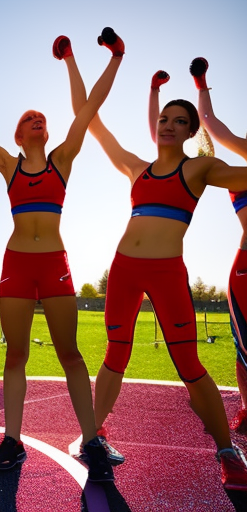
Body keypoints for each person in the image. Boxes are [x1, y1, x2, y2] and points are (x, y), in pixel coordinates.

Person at [0, 27, 124, 480]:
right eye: (30, 117)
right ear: (17, 132)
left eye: (42, 118)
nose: (38, 120)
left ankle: (92, 441)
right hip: (16, 266)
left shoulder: (62, 159)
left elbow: (87, 108)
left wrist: (100, 59)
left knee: (70, 353)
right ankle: (12, 440)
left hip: (54, 266)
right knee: (16, 356)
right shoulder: (7, 164)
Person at [68, 56, 247, 489]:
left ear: (190, 131)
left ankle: (227, 452)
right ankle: (95, 432)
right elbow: (89, 121)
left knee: (189, 364)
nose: (168, 125)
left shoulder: (199, 169)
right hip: (124, 269)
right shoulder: (136, 167)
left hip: (168, 273)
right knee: (115, 353)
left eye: (179, 120)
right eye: (164, 118)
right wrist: (73, 61)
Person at [189, 57, 247, 435]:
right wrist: (201, 83)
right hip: (245, 268)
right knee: (244, 350)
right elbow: (211, 124)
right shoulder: (237, 165)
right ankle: (246, 407)